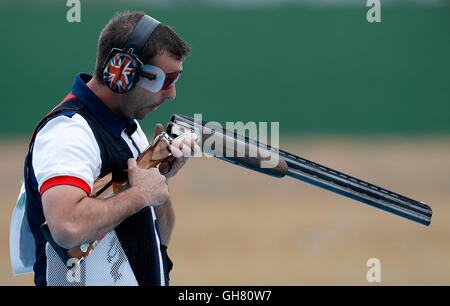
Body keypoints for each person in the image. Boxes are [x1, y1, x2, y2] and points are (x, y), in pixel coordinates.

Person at [17, 11, 193, 286]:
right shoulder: (70, 131)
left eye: (175, 80)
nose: (171, 94)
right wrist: (139, 195)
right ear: (121, 71)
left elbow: (159, 237)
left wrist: (159, 179)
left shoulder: (129, 128)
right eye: (164, 80)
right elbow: (66, 227)